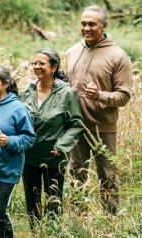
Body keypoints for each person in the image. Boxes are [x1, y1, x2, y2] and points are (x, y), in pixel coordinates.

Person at [66, 5, 132, 214]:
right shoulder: (72, 51)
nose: (87, 28)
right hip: (76, 126)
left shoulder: (118, 55)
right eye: (84, 23)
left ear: (104, 26)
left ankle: (111, 221)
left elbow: (124, 96)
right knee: (76, 173)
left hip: (103, 127)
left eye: (92, 24)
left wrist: (101, 95)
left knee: (108, 175)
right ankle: (78, 221)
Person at [20, 48, 83, 226]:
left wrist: (62, 146)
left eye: (42, 63)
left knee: (53, 198)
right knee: (31, 197)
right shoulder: (27, 90)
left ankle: (52, 231)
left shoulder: (66, 93)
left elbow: (76, 124)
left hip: (54, 156)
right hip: (29, 155)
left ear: (54, 67)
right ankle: (35, 230)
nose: (37, 67)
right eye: (34, 63)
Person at [0, 65, 36, 238]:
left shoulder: (17, 108)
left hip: (6, 169)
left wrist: (9, 141)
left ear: (5, 84)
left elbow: (29, 137)